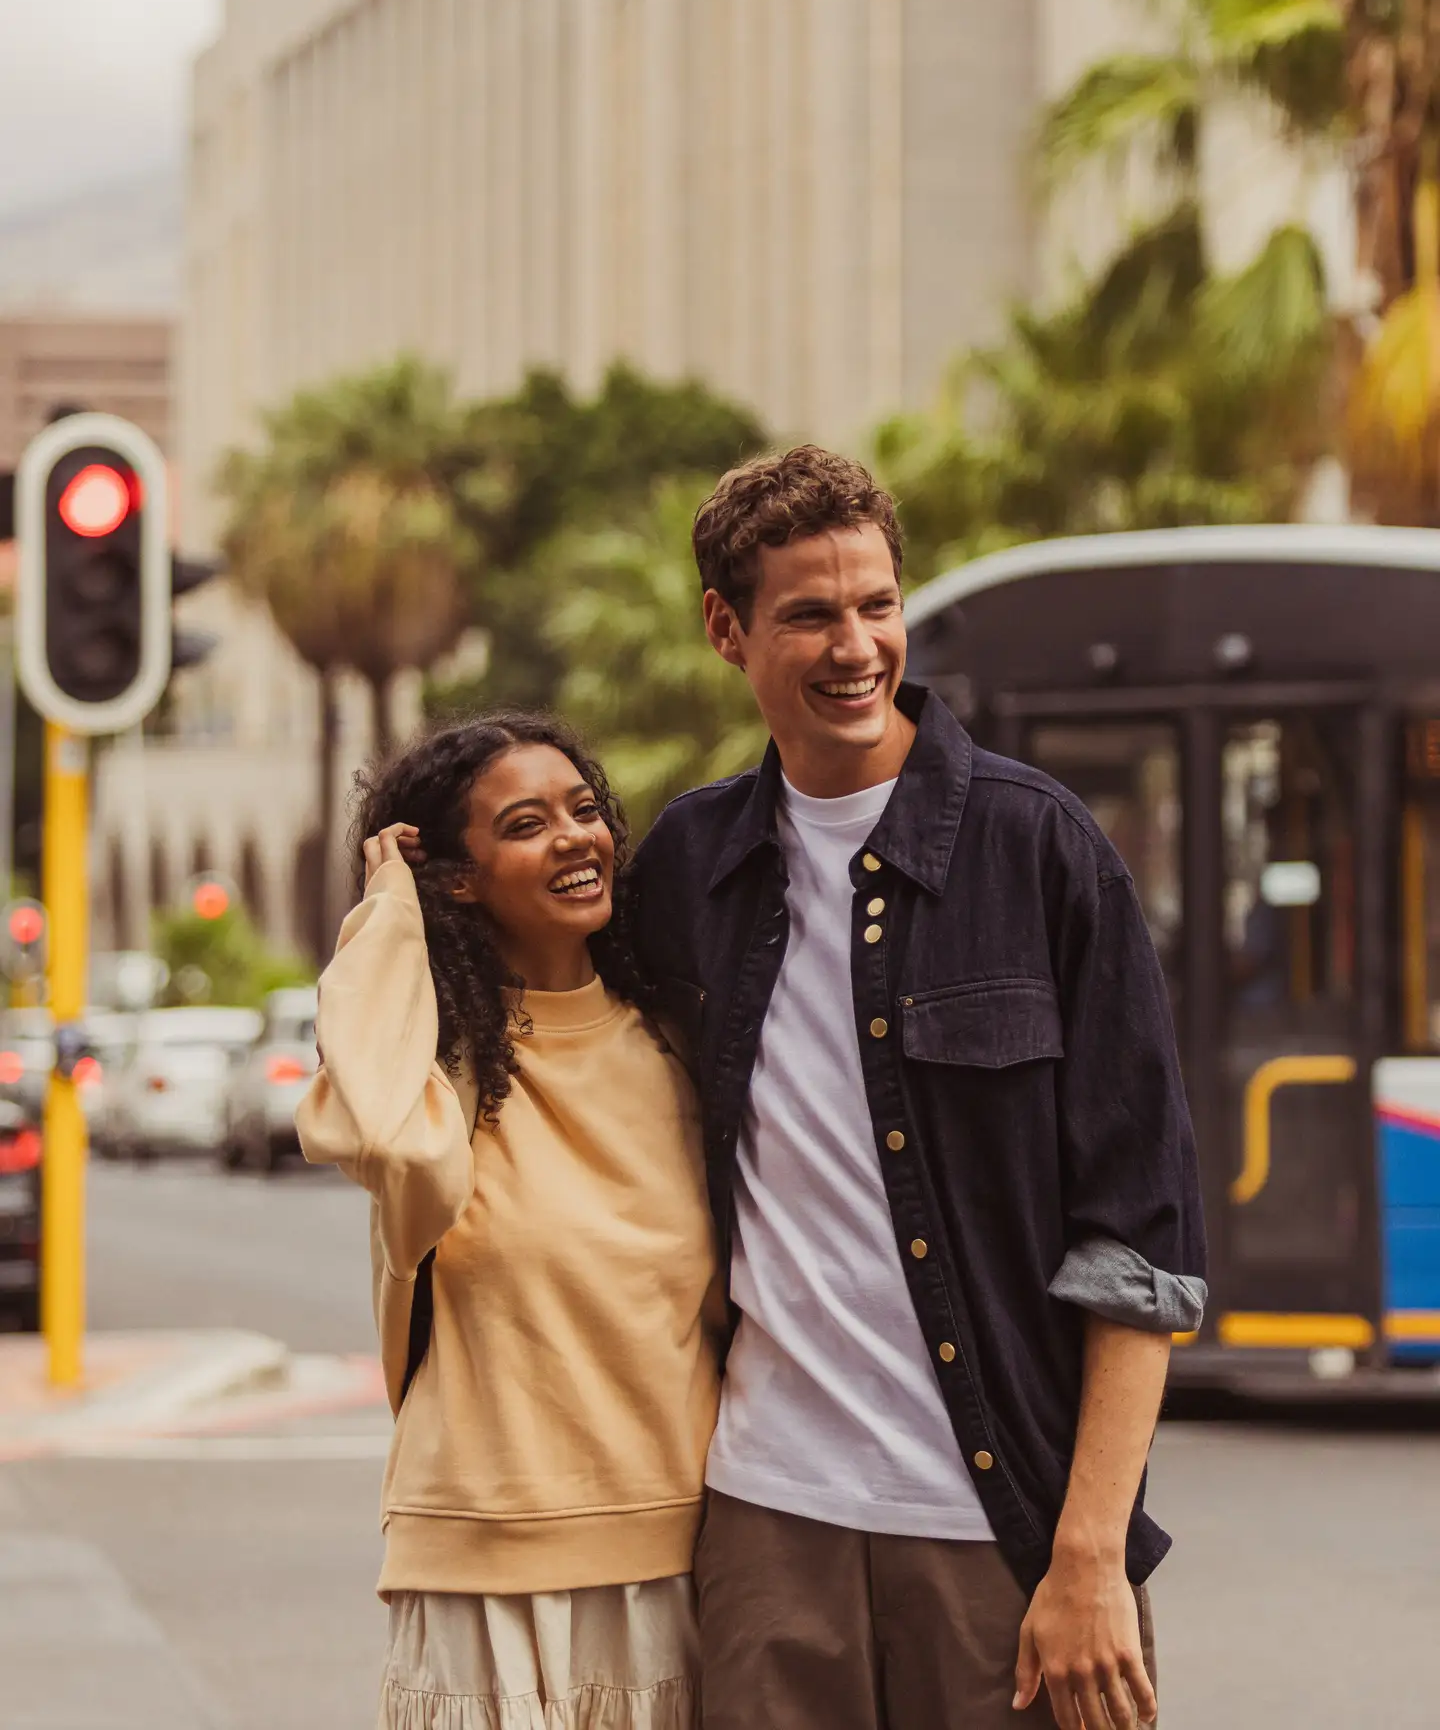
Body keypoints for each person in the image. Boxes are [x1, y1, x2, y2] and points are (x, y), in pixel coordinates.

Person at [628, 447, 1207, 1730]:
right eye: (811, 614)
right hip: (770, 1527)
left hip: (1002, 1531)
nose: (855, 647)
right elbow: (541, 1023)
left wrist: (1089, 1556)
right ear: (727, 630)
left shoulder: (1042, 850)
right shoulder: (691, 867)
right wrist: (403, 886)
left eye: (876, 605)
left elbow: (1142, 1249)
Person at [297, 712, 720, 1730]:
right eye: (526, 824)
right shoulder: (440, 1078)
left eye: (584, 810)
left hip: (680, 1563)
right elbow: (389, 1140)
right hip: (480, 1572)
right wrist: (389, 911)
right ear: (457, 878)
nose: (573, 838)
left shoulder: (678, 1047)